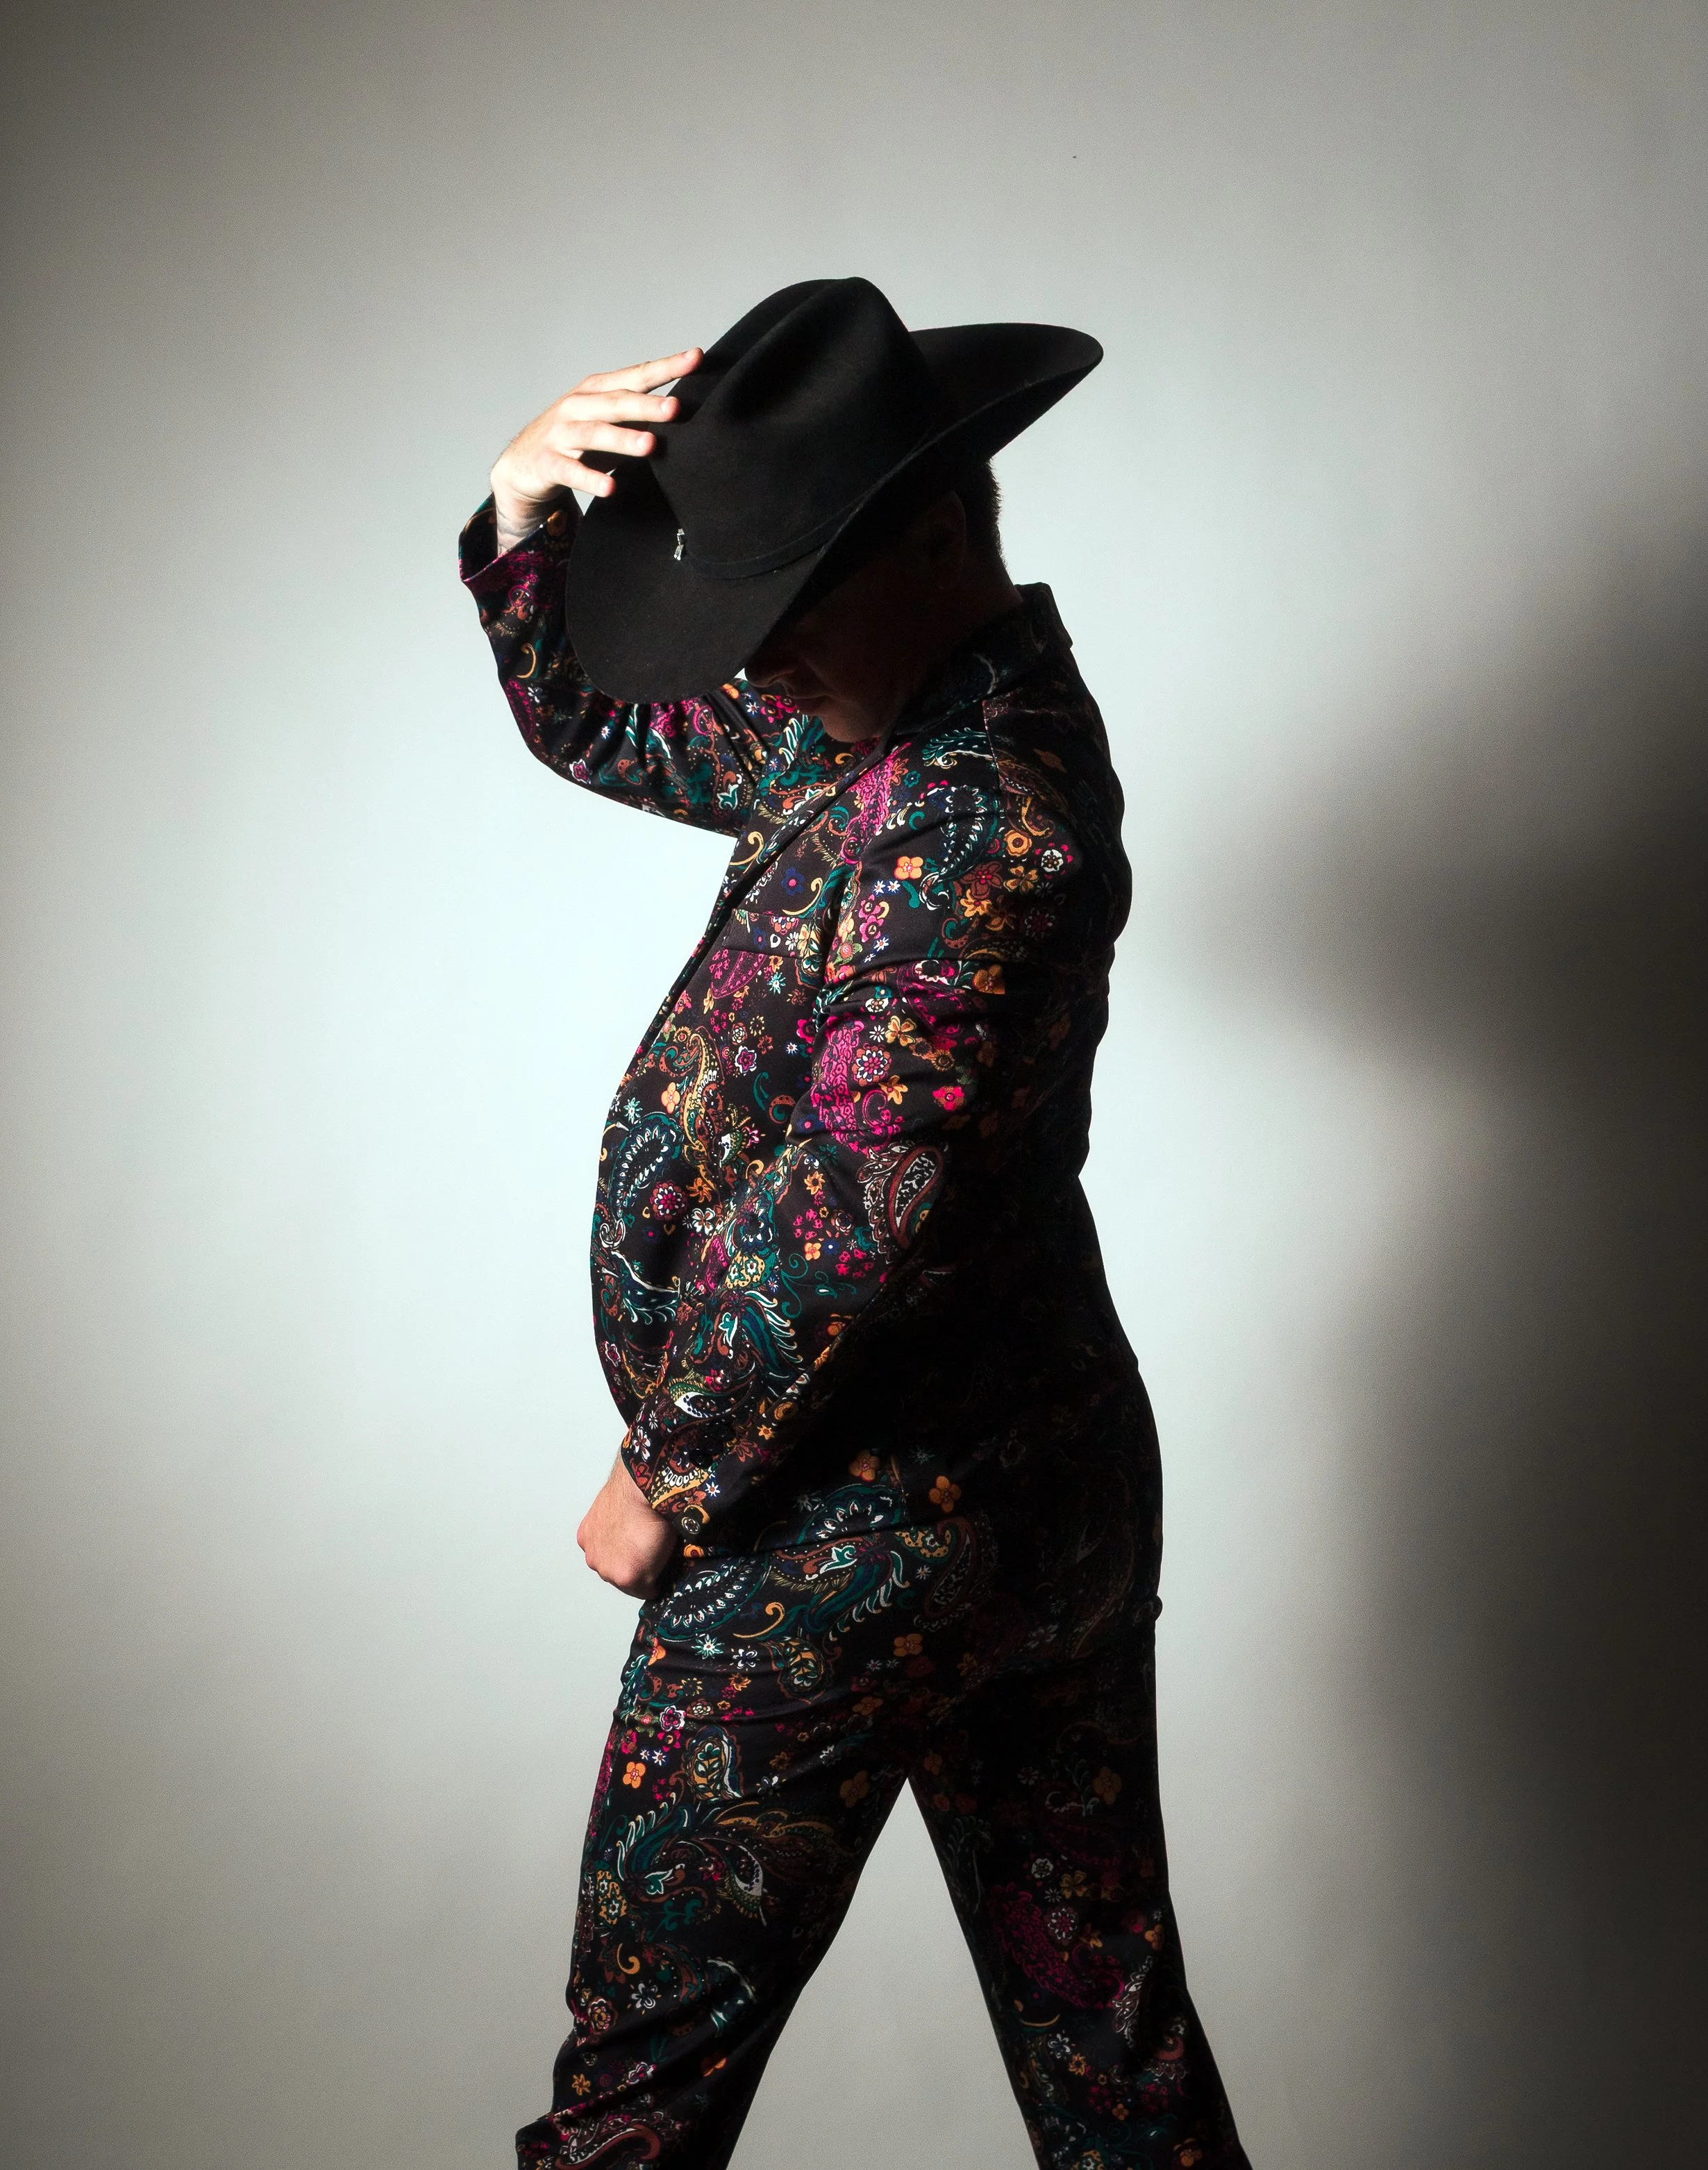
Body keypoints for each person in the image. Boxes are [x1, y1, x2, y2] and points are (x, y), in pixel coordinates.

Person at [461, 278, 1249, 2170]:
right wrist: (519, 520)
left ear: (935, 526)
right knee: (1107, 2051)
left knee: (632, 2106)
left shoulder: (988, 819)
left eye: (780, 602)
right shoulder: (881, 708)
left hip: (844, 1527)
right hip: (1026, 1485)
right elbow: (605, 725)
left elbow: (849, 1211)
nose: (751, 657)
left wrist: (674, 1469)